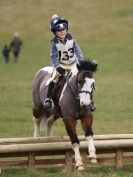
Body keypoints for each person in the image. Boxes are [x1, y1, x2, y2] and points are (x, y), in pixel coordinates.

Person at [44, 14, 84, 110]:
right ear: (55, 32)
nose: (62, 32)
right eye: (59, 31)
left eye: (63, 29)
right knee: (53, 79)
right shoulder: (54, 43)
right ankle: (48, 99)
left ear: (66, 29)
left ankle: (88, 100)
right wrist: (57, 66)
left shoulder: (71, 38)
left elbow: (78, 51)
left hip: (73, 64)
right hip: (61, 66)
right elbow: (53, 56)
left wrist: (81, 62)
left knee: (84, 78)